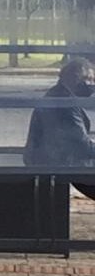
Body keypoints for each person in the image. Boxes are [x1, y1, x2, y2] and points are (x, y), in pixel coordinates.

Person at [24, 57, 95, 199]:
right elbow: (80, 144)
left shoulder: (60, 94)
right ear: (74, 78)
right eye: (88, 79)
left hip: (55, 158)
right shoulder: (64, 104)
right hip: (58, 162)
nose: (92, 84)